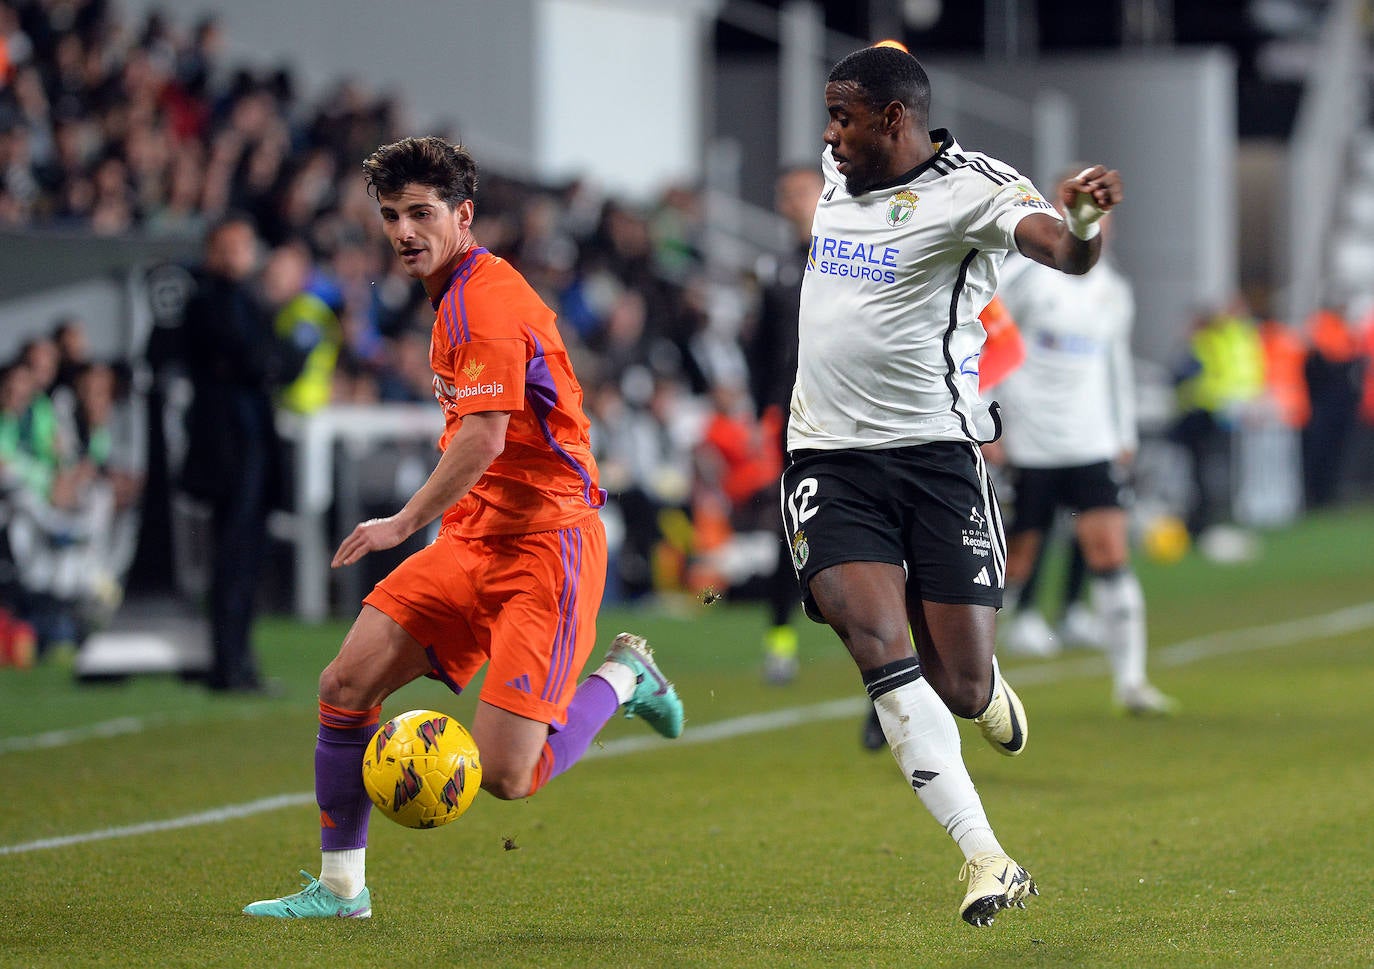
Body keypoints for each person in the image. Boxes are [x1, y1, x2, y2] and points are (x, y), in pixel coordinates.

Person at [244, 136, 684, 920]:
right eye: (391, 215)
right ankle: (343, 890)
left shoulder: (484, 301)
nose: (404, 231)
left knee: (509, 775)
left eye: (420, 213)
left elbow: (482, 437)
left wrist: (403, 521)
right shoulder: (452, 291)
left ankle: (626, 679)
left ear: (464, 215)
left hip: (548, 547)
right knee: (344, 685)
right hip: (475, 540)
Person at [780, 45, 1120, 926]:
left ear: (894, 121)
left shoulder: (977, 189)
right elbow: (885, 65)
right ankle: (986, 855)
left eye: (842, 116)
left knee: (958, 686)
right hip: (827, 457)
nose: (828, 135)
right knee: (881, 654)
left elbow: (1065, 255)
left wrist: (1082, 223)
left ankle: (988, 684)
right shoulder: (839, 167)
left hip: (938, 459)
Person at [991, 204, 1176, 715]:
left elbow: (1115, 361)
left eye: (1104, 213)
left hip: (1091, 440)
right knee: (1015, 562)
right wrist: (989, 419)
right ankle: (961, 678)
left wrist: (1124, 431)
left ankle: (1132, 681)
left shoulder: (1113, 287)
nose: (1098, 222)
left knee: (1110, 552)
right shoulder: (1022, 277)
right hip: (1031, 441)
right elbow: (985, 338)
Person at [179, 214, 300, 693]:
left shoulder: (249, 303)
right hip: (227, 451)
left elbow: (280, 362)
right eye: (228, 247)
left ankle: (240, 662)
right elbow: (260, 357)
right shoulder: (206, 302)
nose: (236, 257)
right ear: (212, 250)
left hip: (253, 447)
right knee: (230, 559)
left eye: (242, 247)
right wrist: (269, 359)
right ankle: (226, 665)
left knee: (247, 559)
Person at [747, 164, 824, 684]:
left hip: (853, 414)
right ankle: (780, 641)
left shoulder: (850, 260)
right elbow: (761, 350)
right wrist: (761, 410)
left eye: (800, 190)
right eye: (785, 193)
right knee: (791, 525)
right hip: (795, 418)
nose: (791, 201)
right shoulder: (777, 268)